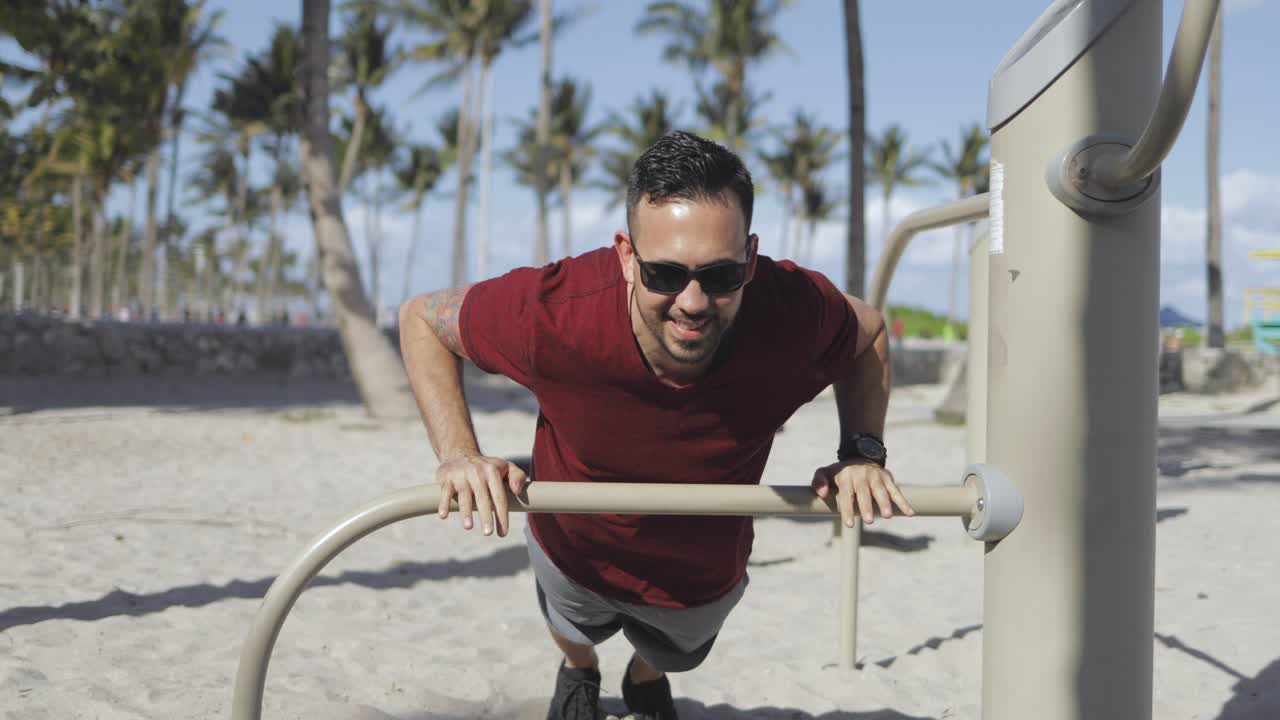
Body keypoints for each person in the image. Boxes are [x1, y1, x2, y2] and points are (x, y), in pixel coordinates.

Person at [399, 131, 913, 720]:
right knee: (572, 627)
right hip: (575, 547)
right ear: (625, 255)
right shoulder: (554, 311)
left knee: (673, 651)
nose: (692, 301)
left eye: (719, 276)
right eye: (665, 275)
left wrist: (861, 452)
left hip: (701, 569)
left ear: (750, 257)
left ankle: (644, 676)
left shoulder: (790, 307)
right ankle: (580, 671)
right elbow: (421, 319)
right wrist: (459, 454)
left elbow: (868, 334)